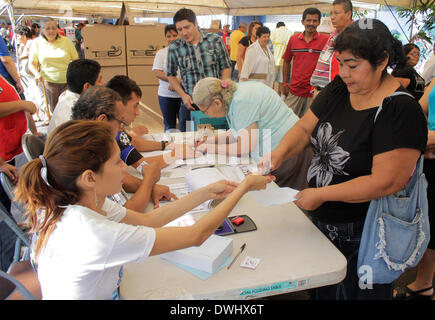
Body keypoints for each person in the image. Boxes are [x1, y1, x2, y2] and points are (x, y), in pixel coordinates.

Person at [258, 19, 428, 300]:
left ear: (382, 60)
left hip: (366, 232)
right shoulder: (340, 88)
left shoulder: (399, 109)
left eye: (353, 65)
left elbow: (385, 182)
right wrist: (278, 154)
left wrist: (322, 194)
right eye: (340, 63)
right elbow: (304, 128)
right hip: (322, 221)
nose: (344, 73)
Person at [14, 120, 273, 299]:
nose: (125, 169)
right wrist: (245, 186)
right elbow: (196, 236)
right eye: (117, 163)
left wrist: (205, 192)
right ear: (89, 178)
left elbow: (148, 220)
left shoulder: (77, 200)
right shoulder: (93, 233)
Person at [192, 77, 312, 191]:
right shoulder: (232, 98)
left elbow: (244, 146)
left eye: (205, 111)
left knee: (289, 201)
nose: (206, 115)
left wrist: (210, 148)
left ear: (217, 103)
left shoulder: (241, 101)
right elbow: (237, 132)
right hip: (280, 150)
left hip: (288, 151)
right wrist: (210, 140)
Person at [71, 86, 176, 212]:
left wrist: (150, 187)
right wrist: (148, 181)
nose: (122, 129)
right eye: (120, 122)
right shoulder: (89, 156)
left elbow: (125, 178)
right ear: (102, 120)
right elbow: (128, 213)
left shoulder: (82, 140)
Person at [394, 81, 435, 300]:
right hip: (427, 158)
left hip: (425, 146)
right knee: (427, 222)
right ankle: (424, 283)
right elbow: (418, 109)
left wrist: (421, 138)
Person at [166, 8, 232, 132]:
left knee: (218, 137)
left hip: (215, 103)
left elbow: (226, 66)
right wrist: (183, 95)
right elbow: (170, 75)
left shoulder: (215, 40)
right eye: (179, 29)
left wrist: (224, 88)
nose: (184, 32)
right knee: (189, 139)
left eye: (187, 27)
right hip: (190, 105)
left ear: (196, 23)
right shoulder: (175, 47)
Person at [0, 75, 37, 272]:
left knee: (5, 211)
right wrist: (23, 103)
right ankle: (10, 274)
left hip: (6, 153)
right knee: (4, 233)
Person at [281, 8, 329, 117]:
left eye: (314, 21)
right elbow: (286, 61)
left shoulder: (325, 40)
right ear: (302, 22)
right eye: (308, 20)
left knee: (309, 127)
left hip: (314, 92)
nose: (311, 23)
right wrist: (284, 83)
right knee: (288, 122)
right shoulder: (293, 39)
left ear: (319, 23)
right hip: (295, 91)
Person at [28, 18, 79, 113]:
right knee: (55, 111)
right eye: (47, 28)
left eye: (53, 28)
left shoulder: (66, 41)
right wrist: (37, 74)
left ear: (57, 29)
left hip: (67, 82)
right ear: (42, 29)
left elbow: (76, 60)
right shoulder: (37, 43)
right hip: (49, 83)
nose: (51, 31)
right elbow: (31, 63)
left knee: (69, 110)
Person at [47, 59, 104, 135]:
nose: (103, 83)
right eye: (99, 80)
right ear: (86, 87)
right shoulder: (74, 113)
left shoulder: (66, 96)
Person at [310, 0, 353, 92]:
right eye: (331, 14)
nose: (332, 17)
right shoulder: (334, 34)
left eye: (336, 13)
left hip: (337, 90)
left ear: (348, 14)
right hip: (322, 89)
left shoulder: (354, 37)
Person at [152, 24, 182, 131]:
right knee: (169, 125)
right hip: (166, 96)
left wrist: (179, 82)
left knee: (186, 125)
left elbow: (192, 71)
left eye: (175, 35)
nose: (172, 39)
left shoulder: (187, 52)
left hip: (184, 96)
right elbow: (158, 72)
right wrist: (173, 81)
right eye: (169, 36)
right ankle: (170, 146)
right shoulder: (161, 53)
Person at [270, 22, 292, 94]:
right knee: (282, 80)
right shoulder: (290, 33)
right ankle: (281, 96)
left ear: (277, 26)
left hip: (273, 59)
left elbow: (269, 46)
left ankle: (270, 95)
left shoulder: (274, 31)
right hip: (284, 60)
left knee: (271, 79)